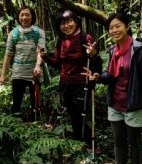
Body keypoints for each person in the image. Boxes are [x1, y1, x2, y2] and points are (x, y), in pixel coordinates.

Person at [85, 11, 142, 164]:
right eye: (111, 28)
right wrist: (98, 77)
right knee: (119, 140)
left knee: (134, 141)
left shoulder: (139, 51)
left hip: (133, 104)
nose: (114, 30)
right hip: (115, 103)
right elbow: (111, 76)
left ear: (127, 27)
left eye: (118, 26)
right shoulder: (113, 51)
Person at [43, 9, 101, 141]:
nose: (66, 25)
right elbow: (58, 63)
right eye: (63, 23)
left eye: (69, 21)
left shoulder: (85, 38)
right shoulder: (61, 41)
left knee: (79, 115)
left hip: (81, 84)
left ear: (76, 22)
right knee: (72, 114)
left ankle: (89, 143)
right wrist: (45, 57)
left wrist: (93, 54)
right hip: (65, 84)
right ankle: (79, 142)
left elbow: (96, 63)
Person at [0, 6, 46, 119]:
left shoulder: (39, 33)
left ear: (32, 17)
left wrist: (37, 66)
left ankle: (36, 126)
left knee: (35, 102)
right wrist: (3, 75)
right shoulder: (13, 34)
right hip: (18, 72)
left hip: (35, 72)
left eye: (27, 15)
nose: (24, 17)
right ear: (18, 17)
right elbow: (8, 54)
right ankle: (16, 126)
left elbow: (41, 51)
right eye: (22, 15)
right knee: (16, 100)